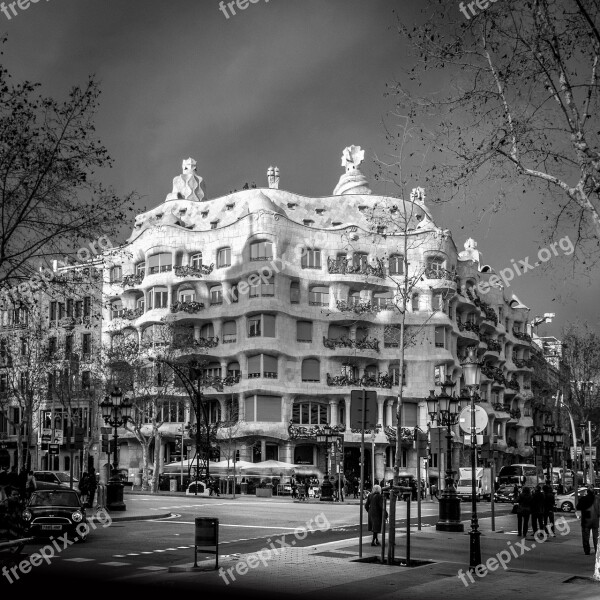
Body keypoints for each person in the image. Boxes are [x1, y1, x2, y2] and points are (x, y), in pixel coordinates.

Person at [576, 485, 600, 555]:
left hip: (586, 519)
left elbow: (578, 507)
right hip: (595, 519)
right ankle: (597, 550)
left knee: (586, 536)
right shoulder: (597, 499)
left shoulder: (583, 499)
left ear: (587, 491)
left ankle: (587, 550)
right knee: (596, 536)